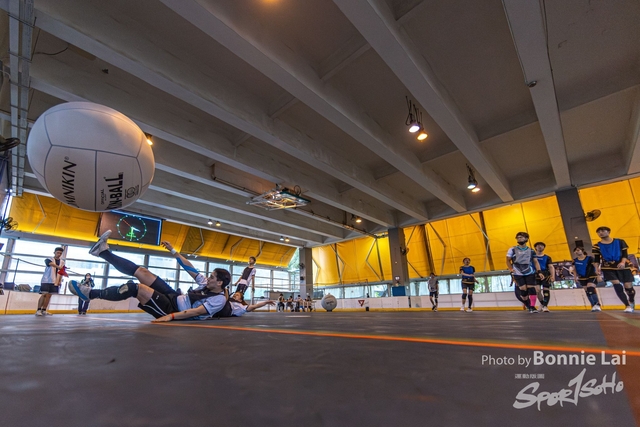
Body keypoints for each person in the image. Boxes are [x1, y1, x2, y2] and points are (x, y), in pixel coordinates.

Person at [72, 231, 234, 322]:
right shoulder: (206, 283)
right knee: (142, 272)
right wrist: (173, 251)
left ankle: (90, 294)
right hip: (174, 296)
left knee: (136, 288)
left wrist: (170, 317)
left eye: (212, 277)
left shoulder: (219, 299)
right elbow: (188, 267)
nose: (208, 278)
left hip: (173, 309)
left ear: (219, 282)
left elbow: (194, 312)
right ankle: (102, 252)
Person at [592, 226, 635, 313]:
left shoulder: (620, 242)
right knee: (616, 284)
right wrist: (597, 269)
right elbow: (597, 259)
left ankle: (631, 299)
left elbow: (625, 254)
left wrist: (623, 262)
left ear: (608, 232)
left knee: (628, 287)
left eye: (603, 231)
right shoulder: (597, 246)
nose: (600, 233)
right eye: (598, 232)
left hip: (622, 266)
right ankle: (627, 305)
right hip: (608, 267)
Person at [506, 232, 544, 313]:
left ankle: (532, 307)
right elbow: (507, 260)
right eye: (518, 237)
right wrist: (511, 269)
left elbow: (535, 261)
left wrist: (539, 272)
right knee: (523, 290)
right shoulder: (512, 249)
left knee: (532, 289)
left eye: (521, 237)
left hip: (529, 271)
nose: (519, 239)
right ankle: (528, 305)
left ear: (526, 239)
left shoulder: (531, 251)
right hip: (518, 272)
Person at [36, 247, 65, 316]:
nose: (59, 254)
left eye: (60, 253)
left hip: (55, 281)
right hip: (46, 280)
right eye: (58, 253)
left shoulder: (62, 262)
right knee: (44, 294)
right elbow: (50, 263)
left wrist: (59, 281)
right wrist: (58, 267)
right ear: (54, 252)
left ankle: (44, 310)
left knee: (49, 296)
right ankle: (38, 309)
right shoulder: (49, 259)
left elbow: (62, 272)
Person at [571, 247, 602, 312]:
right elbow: (574, 269)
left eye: (578, 250)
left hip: (591, 275)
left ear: (582, 251)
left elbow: (595, 266)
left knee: (590, 289)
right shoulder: (575, 260)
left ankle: (597, 304)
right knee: (587, 291)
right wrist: (575, 277)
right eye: (575, 251)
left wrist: (598, 275)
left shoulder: (590, 258)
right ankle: (593, 305)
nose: (577, 252)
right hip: (582, 277)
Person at [533, 242, 555, 312]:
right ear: (535, 248)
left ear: (544, 247)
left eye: (542, 246)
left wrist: (553, 276)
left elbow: (551, 266)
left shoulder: (547, 257)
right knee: (537, 290)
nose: (540, 247)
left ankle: (545, 306)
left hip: (545, 275)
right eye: (538, 246)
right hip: (535, 274)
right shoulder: (532, 257)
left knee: (546, 290)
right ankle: (542, 303)